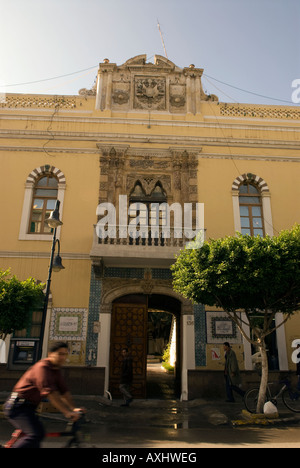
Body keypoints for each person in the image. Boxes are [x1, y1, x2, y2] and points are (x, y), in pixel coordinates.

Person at [4, 342, 85, 448]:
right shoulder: (42, 368)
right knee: (35, 435)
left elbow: (64, 392)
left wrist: (74, 408)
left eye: (65, 354)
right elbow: (50, 394)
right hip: (17, 407)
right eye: (60, 354)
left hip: (29, 408)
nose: (63, 357)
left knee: (36, 441)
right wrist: (67, 412)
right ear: (50, 353)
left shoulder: (55, 370)